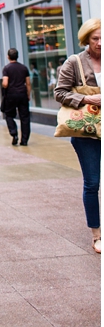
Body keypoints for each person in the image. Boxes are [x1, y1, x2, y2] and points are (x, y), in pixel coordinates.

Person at [54, 18, 101, 254]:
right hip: (87, 132)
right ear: (86, 39)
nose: (100, 43)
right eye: (96, 39)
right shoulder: (74, 62)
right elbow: (59, 92)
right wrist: (86, 98)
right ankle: (97, 234)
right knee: (93, 183)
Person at [0, 48, 32, 146]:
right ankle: (24, 140)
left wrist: (3, 85)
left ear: (8, 56)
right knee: (25, 117)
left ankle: (14, 133)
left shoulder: (6, 68)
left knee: (8, 114)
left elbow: (5, 83)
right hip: (22, 94)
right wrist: (28, 94)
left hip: (11, 94)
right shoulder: (24, 68)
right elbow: (28, 83)